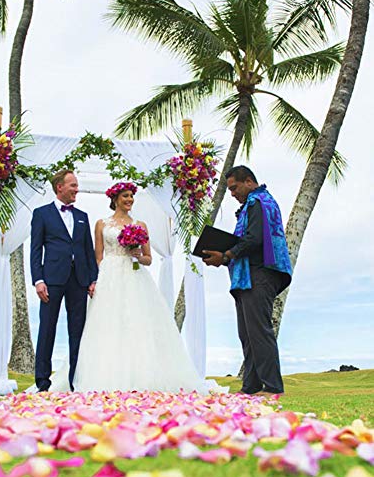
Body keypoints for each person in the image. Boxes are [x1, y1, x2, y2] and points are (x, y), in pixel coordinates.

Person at [47, 181, 227, 393]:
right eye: (125, 196)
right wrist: (95, 281)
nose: (130, 200)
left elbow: (149, 259)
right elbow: (97, 257)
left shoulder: (140, 225)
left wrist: (138, 255)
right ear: (115, 199)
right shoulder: (101, 224)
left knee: (136, 322)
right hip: (109, 276)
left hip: (134, 275)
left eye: (131, 196)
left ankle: (139, 374)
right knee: (107, 324)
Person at [203, 166, 292, 395]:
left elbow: (254, 239)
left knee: (259, 331)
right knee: (247, 333)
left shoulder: (258, 202)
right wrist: (223, 258)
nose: (232, 194)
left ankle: (272, 387)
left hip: (261, 273)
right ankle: (251, 386)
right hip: (248, 274)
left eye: (234, 188)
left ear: (249, 182)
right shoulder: (252, 204)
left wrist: (226, 255)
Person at [30, 169, 98, 391]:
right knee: (47, 328)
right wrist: (38, 280)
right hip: (51, 280)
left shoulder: (82, 217)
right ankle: (42, 382)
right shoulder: (41, 214)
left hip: (79, 280)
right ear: (60, 187)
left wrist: (93, 279)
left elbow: (88, 250)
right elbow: (35, 250)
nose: (77, 189)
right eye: (73, 185)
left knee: (77, 331)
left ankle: (75, 381)